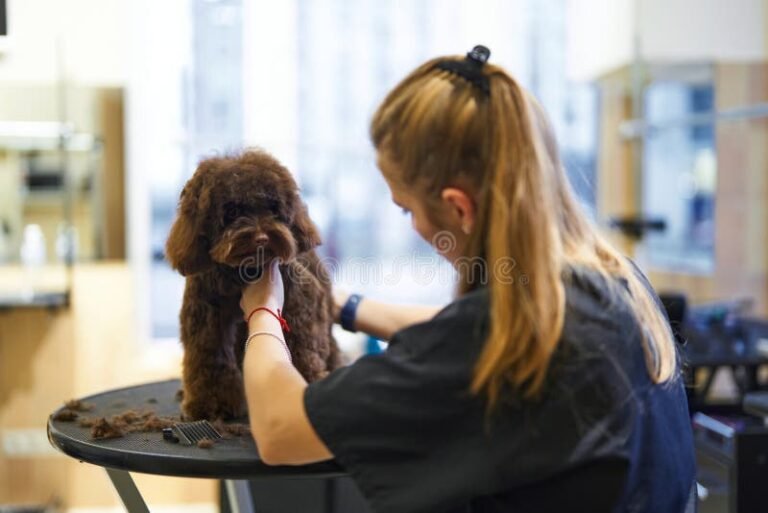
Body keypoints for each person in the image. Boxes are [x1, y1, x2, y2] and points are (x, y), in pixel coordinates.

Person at [239, 46, 696, 513]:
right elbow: (460, 329)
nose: (411, 225)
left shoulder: (488, 335)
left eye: (407, 208)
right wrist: (341, 305)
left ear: (459, 207)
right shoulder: (612, 278)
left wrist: (263, 309)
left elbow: (279, 429)